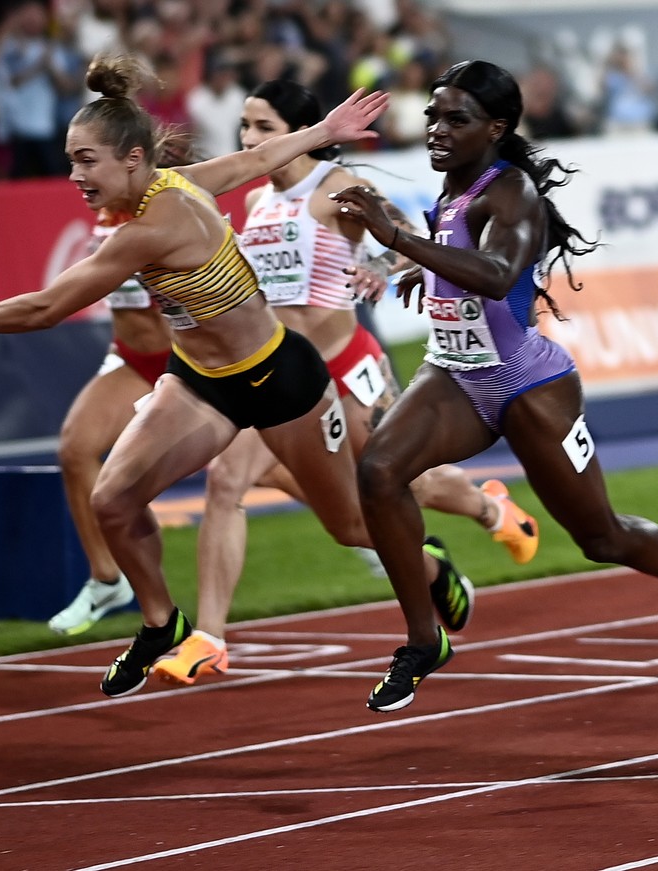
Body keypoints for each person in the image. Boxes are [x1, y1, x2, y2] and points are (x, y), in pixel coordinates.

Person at [0, 54, 455, 702]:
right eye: (72, 158)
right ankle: (164, 622)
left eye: (87, 160)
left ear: (133, 159)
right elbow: (250, 163)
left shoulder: (152, 224)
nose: (75, 174)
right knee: (112, 500)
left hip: (282, 380)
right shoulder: (174, 182)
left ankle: (430, 606)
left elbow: (47, 307)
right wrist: (320, 129)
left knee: (351, 526)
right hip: (200, 380)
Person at [332, 59, 658, 715]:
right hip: (454, 373)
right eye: (433, 116)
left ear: (497, 127)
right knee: (379, 470)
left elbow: (499, 274)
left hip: (528, 384)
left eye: (456, 119)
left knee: (601, 538)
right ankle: (422, 638)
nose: (437, 130)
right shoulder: (453, 189)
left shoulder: (512, 191)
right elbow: (467, 264)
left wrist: (399, 241)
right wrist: (432, 275)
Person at [149, 78, 541, 686]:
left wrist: (382, 265)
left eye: (263, 129)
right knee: (229, 479)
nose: (250, 139)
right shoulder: (255, 204)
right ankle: (210, 638)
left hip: (346, 364)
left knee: (404, 480)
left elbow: (426, 240)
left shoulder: (338, 190)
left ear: (299, 134)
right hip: (281, 373)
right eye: (246, 128)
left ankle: (491, 510)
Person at [46, 207, 170, 636]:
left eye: (89, 161)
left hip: (193, 361)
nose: (81, 175)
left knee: (267, 467)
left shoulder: (174, 206)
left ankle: (361, 530)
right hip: (133, 361)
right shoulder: (103, 214)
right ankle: (106, 580)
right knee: (75, 448)